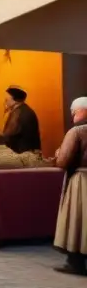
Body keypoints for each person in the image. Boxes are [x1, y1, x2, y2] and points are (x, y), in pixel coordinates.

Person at [53, 96, 87, 276]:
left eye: (74, 111)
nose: (72, 115)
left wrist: (58, 154)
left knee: (78, 220)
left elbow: (64, 160)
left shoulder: (77, 132)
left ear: (82, 111)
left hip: (81, 180)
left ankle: (76, 262)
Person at [0, 86, 42, 153]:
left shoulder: (18, 113)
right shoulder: (23, 109)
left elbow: (8, 138)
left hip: (24, 156)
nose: (5, 101)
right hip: (26, 153)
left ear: (15, 101)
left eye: (7, 99)